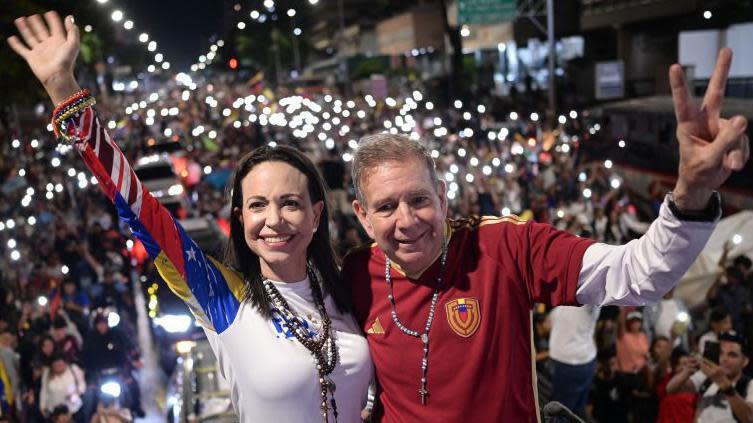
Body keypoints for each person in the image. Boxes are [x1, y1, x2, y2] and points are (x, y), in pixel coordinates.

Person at [343, 47, 749, 421]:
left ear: (444, 198)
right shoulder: (355, 273)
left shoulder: (505, 245)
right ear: (362, 216)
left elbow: (636, 275)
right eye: (386, 207)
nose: (407, 220)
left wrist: (691, 194)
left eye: (419, 199)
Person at [7, 12, 371, 422]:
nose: (274, 219)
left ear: (316, 214)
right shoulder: (223, 296)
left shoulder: (354, 286)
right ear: (240, 219)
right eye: (257, 205)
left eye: (290, 203)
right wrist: (63, 88)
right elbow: (140, 209)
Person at [667, 331, 753, 423]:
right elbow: (670, 389)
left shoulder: (749, 384)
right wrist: (687, 371)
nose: (724, 359)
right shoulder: (706, 378)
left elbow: (750, 418)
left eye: (732, 355)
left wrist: (727, 387)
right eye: (721, 353)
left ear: (744, 361)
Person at [548, 305, 600, 420]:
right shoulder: (565, 301)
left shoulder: (588, 299)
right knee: (575, 409)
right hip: (574, 362)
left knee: (561, 413)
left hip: (573, 365)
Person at [38, 354, 85, 420]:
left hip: (73, 409)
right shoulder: (47, 373)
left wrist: (76, 394)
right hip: (54, 411)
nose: (59, 367)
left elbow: (82, 385)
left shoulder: (73, 369)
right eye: (56, 366)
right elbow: (44, 391)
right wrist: (42, 406)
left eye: (61, 365)